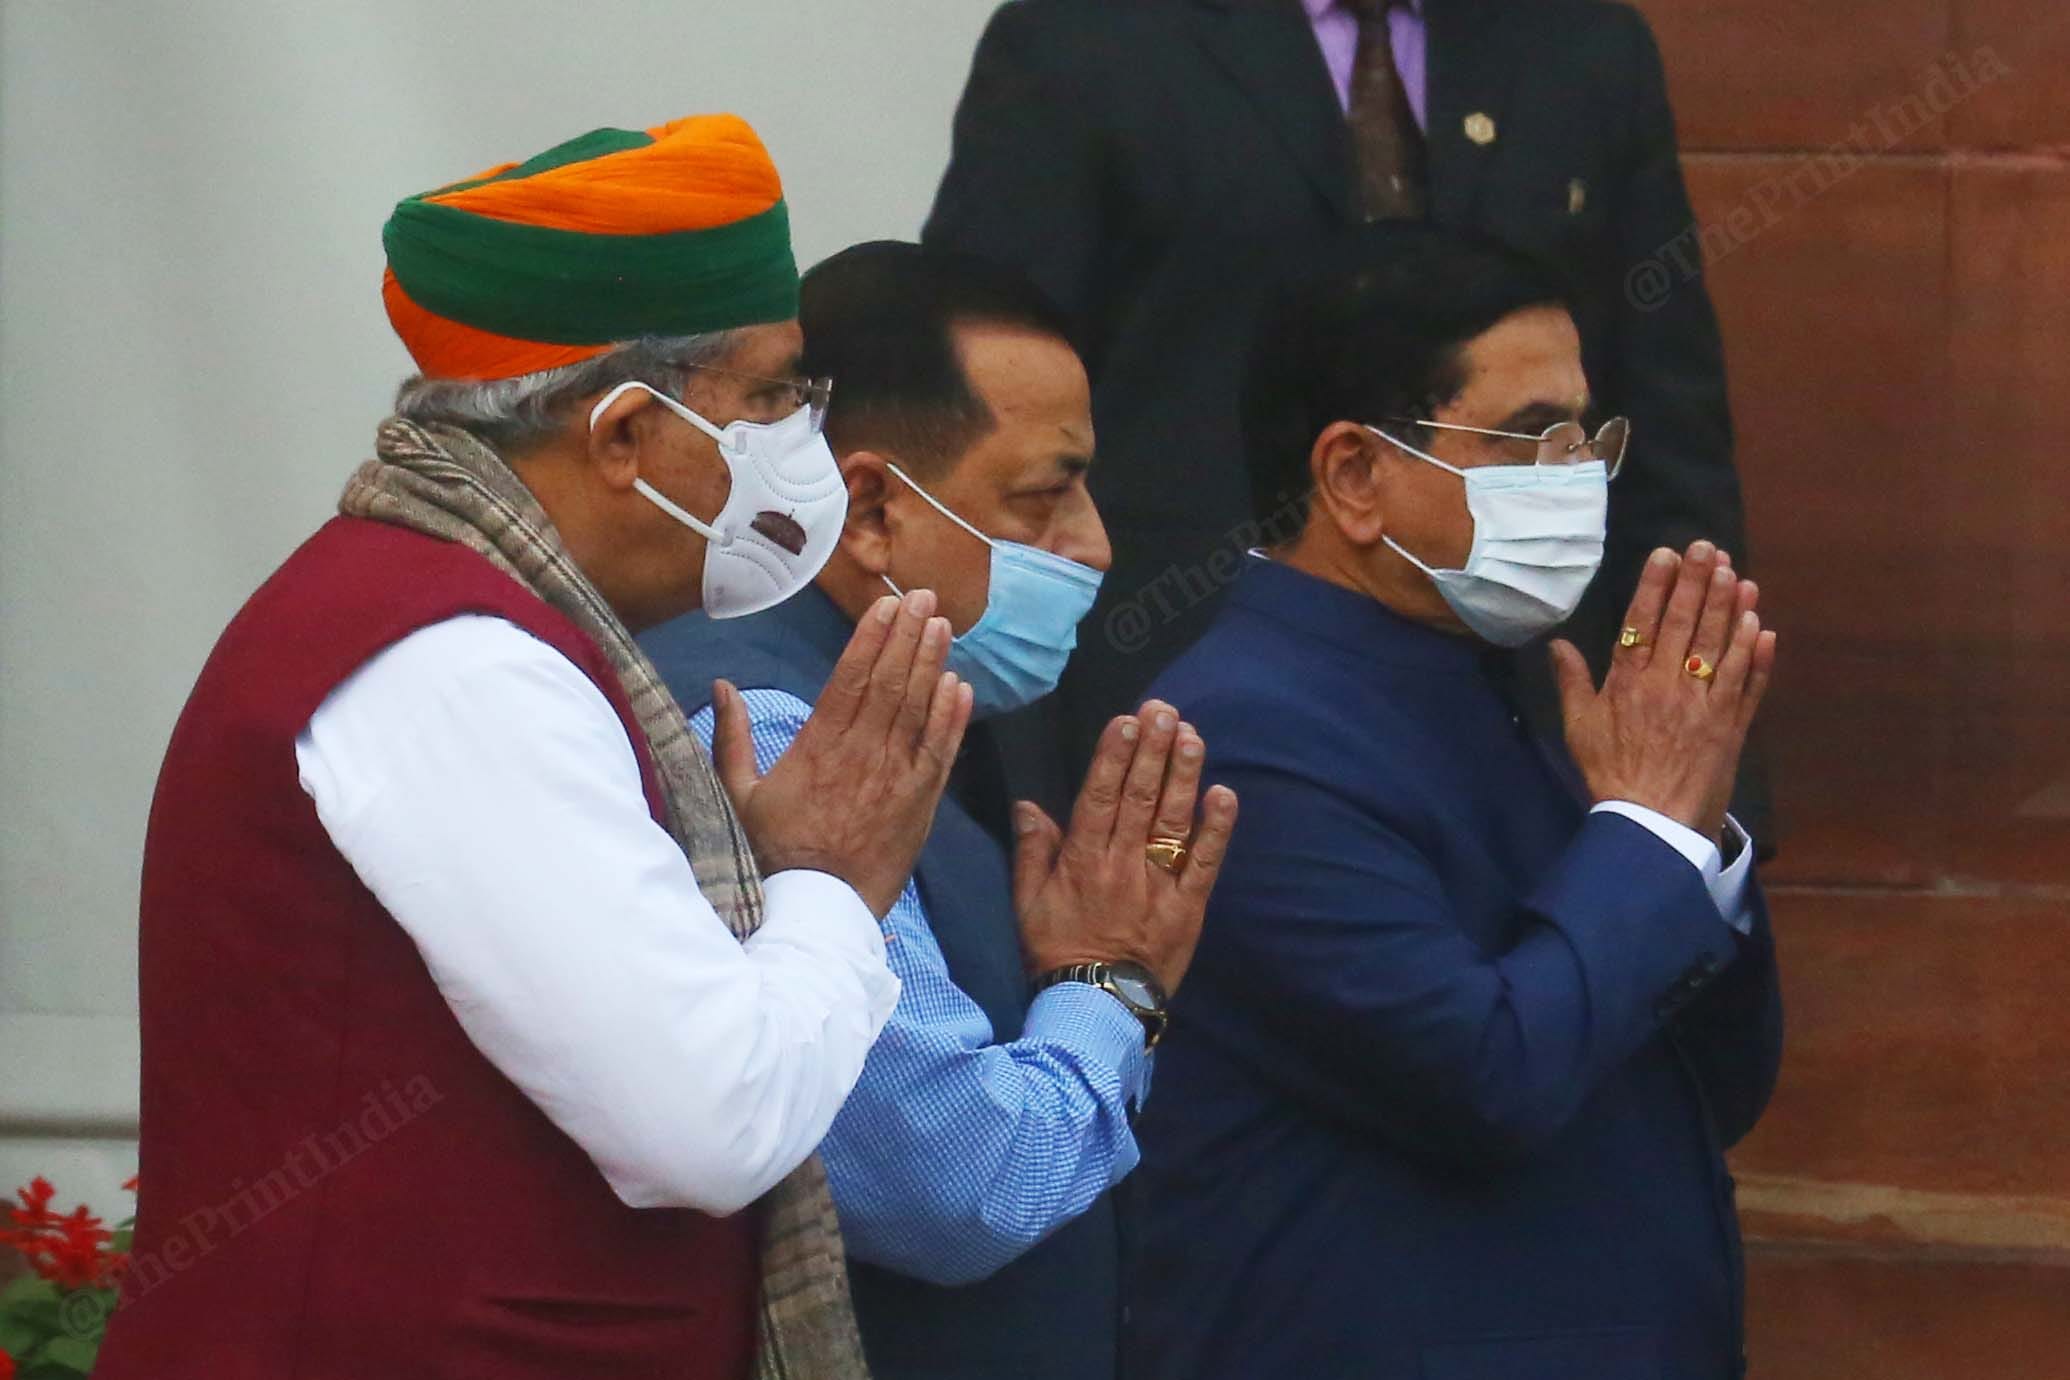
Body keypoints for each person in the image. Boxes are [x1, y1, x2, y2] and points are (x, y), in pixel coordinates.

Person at [97, 116, 970, 1380]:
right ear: (624, 438)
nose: (805, 440)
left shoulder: (464, 620)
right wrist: (831, 886)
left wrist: (767, 887)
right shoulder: (455, 663)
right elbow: (708, 1123)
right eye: (776, 394)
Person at [1128, 225, 1783, 1380]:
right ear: (1353, 476)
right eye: (1532, 437)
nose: (1576, 478)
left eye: (1590, 437)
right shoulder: (1248, 733)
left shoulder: (1502, 682)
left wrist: (1695, 849)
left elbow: (1714, 1087)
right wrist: (1647, 834)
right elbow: (1485, 1078)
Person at [923, 0, 1763, 841]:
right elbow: (978, 422)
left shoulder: (1580, 44)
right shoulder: (1084, 40)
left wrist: (1711, 787)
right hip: (1179, 716)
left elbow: (1667, 428)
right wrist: (1011, 782)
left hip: (1537, 729)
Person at [641, 241, 1238, 1380]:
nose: (1095, 543)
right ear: (868, 506)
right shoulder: (768, 727)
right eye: (1044, 494)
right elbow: (956, 1187)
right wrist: (1110, 981)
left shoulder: (906, 697)